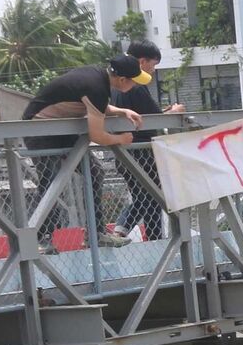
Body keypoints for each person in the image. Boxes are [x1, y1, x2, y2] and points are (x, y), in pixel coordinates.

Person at [19, 56, 146, 250]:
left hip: (61, 128)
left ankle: (96, 233)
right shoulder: (96, 86)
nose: (136, 85)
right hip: (39, 128)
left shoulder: (97, 77)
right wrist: (121, 139)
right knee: (51, 181)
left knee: (94, 171)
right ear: (122, 80)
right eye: (134, 81)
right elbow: (97, 135)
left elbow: (94, 106)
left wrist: (121, 111)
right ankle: (39, 239)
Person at [111, 39, 185, 242]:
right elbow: (153, 118)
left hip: (125, 151)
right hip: (142, 151)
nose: (152, 71)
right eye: (153, 65)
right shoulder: (134, 85)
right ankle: (142, 235)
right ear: (142, 62)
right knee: (152, 196)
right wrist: (173, 112)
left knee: (146, 197)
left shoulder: (116, 83)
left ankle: (134, 233)